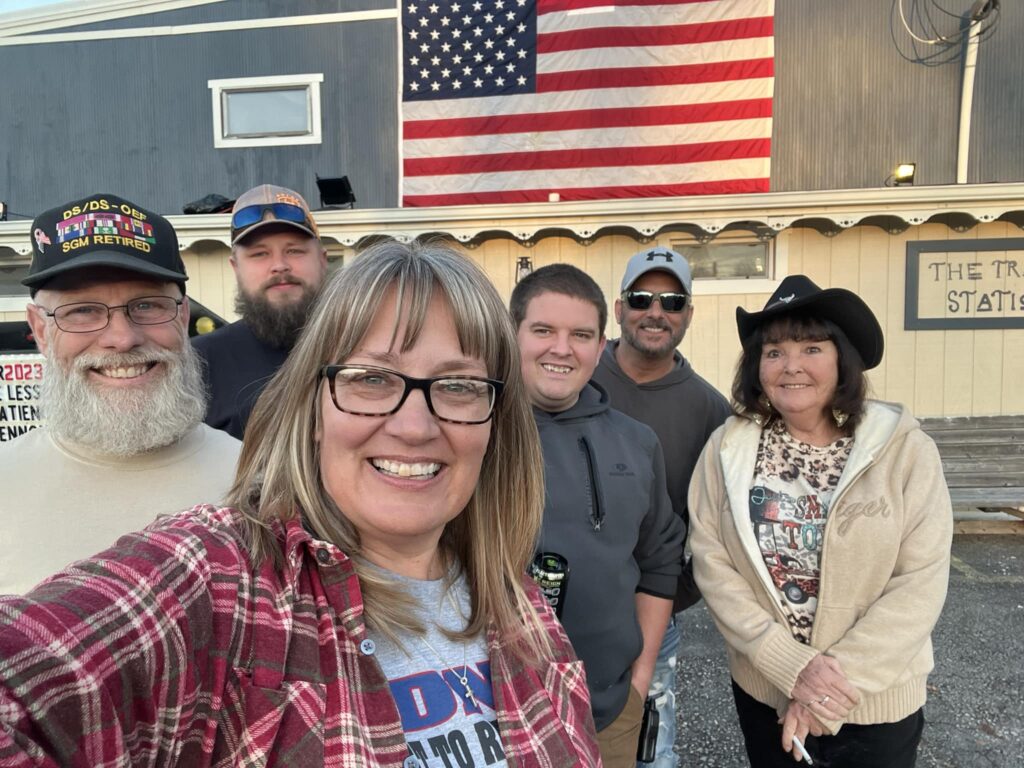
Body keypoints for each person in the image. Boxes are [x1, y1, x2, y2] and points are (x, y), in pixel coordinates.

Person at [0, 240, 600, 766]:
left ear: (496, 421)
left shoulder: (516, 599)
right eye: (370, 379)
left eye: (459, 385)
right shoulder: (221, 580)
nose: (415, 426)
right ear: (314, 408)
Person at [689, 275, 953, 767]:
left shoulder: (904, 449)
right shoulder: (728, 448)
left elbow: (921, 580)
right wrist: (790, 668)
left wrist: (823, 687)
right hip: (766, 692)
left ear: (842, 360)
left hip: (875, 704)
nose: (790, 366)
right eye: (773, 352)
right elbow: (711, 560)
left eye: (811, 347)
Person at [0, 192, 240, 595]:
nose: (122, 338)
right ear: (40, 330)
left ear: (182, 317)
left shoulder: (259, 482)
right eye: (82, 311)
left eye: (147, 306)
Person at [510, 263, 684, 767]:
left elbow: (658, 560)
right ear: (511, 333)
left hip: (607, 709)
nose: (561, 349)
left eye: (580, 334)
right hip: (491, 712)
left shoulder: (636, 442)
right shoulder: (470, 431)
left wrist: (640, 677)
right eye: (543, 330)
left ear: (600, 343)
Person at [591, 245, 730, 767]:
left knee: (648, 751)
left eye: (672, 302)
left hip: (650, 617)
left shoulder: (710, 410)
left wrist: (674, 595)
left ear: (688, 314)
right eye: (643, 298)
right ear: (621, 306)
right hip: (555, 606)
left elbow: (717, 528)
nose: (656, 312)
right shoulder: (575, 377)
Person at [193, 184, 328, 440]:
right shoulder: (197, 364)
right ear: (236, 267)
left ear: (322, 259)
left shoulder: (366, 347)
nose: (279, 265)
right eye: (259, 254)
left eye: (294, 250)